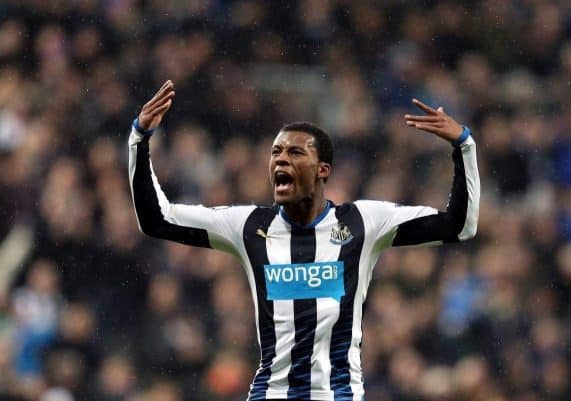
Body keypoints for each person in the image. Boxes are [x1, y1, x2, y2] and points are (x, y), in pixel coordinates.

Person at [128, 80, 480, 401]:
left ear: (322, 170)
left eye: (295, 152)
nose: (281, 158)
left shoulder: (362, 222)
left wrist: (463, 145)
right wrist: (139, 140)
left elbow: (459, 225)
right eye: (276, 152)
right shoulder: (249, 226)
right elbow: (158, 220)